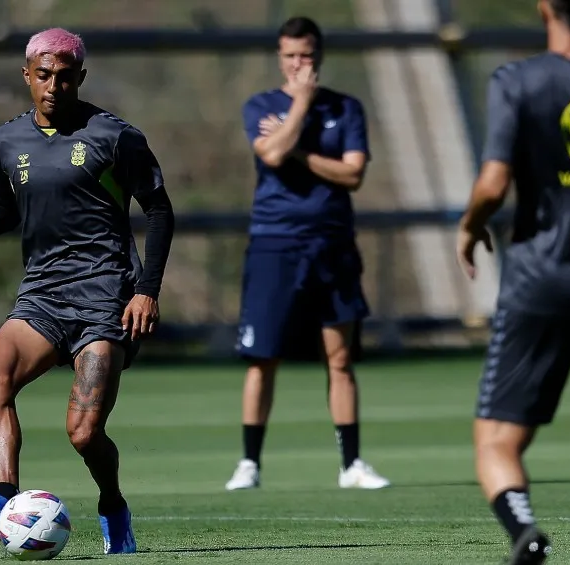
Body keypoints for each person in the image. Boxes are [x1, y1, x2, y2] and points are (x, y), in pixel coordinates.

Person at [0, 28, 175, 555]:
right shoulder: (6, 140)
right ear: (27, 75)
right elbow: (8, 211)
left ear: (81, 78)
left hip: (106, 299)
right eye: (44, 75)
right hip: (43, 295)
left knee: (82, 433)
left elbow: (159, 211)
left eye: (66, 76)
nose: (54, 85)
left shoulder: (114, 137)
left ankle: (112, 503)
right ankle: (3, 497)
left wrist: (147, 290)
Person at [224, 16, 389, 491]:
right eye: (292, 55)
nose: (301, 64)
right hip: (274, 242)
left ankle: (351, 465)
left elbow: (353, 174)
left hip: (332, 242)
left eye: (308, 55)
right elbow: (270, 155)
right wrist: (300, 108)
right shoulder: (261, 104)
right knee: (262, 357)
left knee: (339, 358)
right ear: (281, 56)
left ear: (320, 55)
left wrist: (297, 148)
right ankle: (249, 464)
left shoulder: (347, 108)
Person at [457, 0, 570, 561]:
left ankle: (524, 532)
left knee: (498, 439)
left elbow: (492, 183)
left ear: (545, 6)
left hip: (541, 277)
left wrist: (471, 224)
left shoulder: (518, 81)